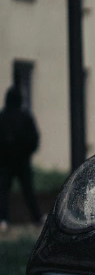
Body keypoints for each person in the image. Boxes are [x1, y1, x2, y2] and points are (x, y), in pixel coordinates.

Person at [0, 86, 43, 232]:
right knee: (28, 191)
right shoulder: (25, 117)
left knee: (3, 192)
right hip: (22, 162)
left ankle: (3, 220)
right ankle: (37, 219)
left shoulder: (2, 116)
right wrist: (26, 152)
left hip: (5, 162)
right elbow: (34, 138)